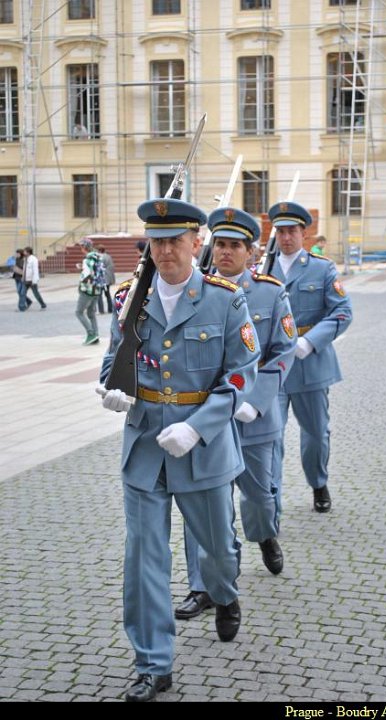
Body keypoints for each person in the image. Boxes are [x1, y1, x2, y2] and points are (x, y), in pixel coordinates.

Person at [97, 198, 260, 702]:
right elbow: (111, 361)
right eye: (156, 241)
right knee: (144, 558)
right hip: (145, 446)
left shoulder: (225, 299)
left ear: (197, 243)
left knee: (216, 551)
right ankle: (153, 663)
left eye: (175, 240)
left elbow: (241, 373)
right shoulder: (131, 297)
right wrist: (111, 389)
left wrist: (199, 426)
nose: (165, 250)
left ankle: (225, 594)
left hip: (201, 446)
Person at [175, 207, 296, 621]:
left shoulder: (269, 292)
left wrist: (256, 400)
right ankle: (204, 586)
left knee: (259, 499)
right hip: (208, 422)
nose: (225, 252)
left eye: (234, 246)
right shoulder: (197, 291)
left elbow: (281, 354)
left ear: (251, 251)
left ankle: (265, 535)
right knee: (204, 510)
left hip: (253, 420)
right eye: (220, 244)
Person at [268, 201, 353, 514]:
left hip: (310, 363)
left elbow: (343, 312)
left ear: (304, 233)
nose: (286, 237)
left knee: (316, 433)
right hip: (272, 366)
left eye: (292, 230)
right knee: (270, 435)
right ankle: (270, 496)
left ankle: (318, 482)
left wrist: (310, 341)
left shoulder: (322, 267)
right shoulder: (262, 269)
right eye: (281, 231)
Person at [75, 238, 103, 345]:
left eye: (81, 247)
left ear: (84, 247)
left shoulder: (87, 260)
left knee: (79, 312)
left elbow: (87, 274)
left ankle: (91, 334)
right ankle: (96, 335)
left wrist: (82, 281)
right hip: (97, 289)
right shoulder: (97, 257)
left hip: (87, 289)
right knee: (91, 313)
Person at [97, 245, 116, 314]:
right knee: (107, 294)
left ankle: (101, 310)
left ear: (98, 250)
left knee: (99, 295)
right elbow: (112, 268)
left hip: (101, 278)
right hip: (108, 278)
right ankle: (110, 309)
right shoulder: (108, 256)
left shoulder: (98, 257)